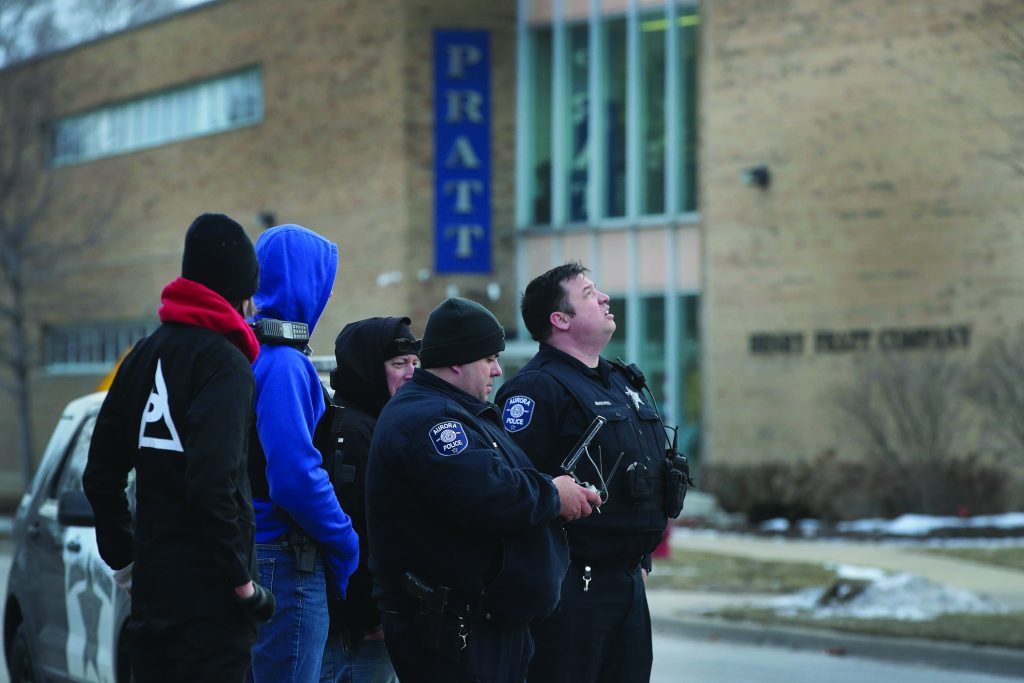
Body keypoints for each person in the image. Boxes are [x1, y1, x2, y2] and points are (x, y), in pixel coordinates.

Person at [365, 297, 602, 683]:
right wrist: (554, 495)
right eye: (489, 358)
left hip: (486, 625)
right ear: (457, 360)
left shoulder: (459, 409)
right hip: (453, 631)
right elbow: (489, 494)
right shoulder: (429, 418)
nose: (496, 369)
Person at [83, 213, 275, 683]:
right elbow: (213, 482)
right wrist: (244, 585)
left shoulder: (144, 353)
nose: (252, 314)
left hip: (151, 598)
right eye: (250, 300)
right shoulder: (226, 364)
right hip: (211, 608)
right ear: (239, 295)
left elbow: (100, 474)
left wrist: (126, 562)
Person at [495, 262, 673, 683]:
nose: (605, 298)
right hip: (571, 587)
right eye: (590, 294)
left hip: (625, 582)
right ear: (560, 319)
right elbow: (513, 487)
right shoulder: (534, 390)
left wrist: (640, 555)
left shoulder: (618, 381)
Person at [248, 224, 360, 683]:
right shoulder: (284, 363)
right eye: (323, 282)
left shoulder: (255, 352)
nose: (326, 295)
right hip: (285, 558)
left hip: (262, 553)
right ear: (305, 283)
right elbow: (294, 476)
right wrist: (345, 539)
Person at [321, 316, 417, 683]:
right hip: (357, 631)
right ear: (366, 370)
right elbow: (356, 526)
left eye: (414, 363)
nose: (411, 373)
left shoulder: (379, 422)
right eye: (398, 364)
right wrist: (370, 614)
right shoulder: (355, 433)